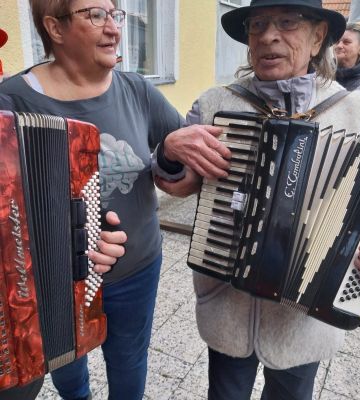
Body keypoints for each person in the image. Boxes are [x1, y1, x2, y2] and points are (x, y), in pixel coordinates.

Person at [156, 1, 360, 399]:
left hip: (304, 321)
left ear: (318, 35)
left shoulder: (356, 111)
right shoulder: (217, 104)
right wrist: (168, 152)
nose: (268, 36)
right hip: (226, 306)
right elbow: (180, 183)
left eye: (287, 23)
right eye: (258, 25)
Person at [0, 1, 231, 399]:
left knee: (129, 360)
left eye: (115, 14)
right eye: (96, 15)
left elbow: (186, 176)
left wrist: (171, 154)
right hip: (55, 278)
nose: (114, 29)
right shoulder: (12, 100)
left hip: (136, 268)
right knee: (66, 363)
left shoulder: (137, 89)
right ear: (54, 28)